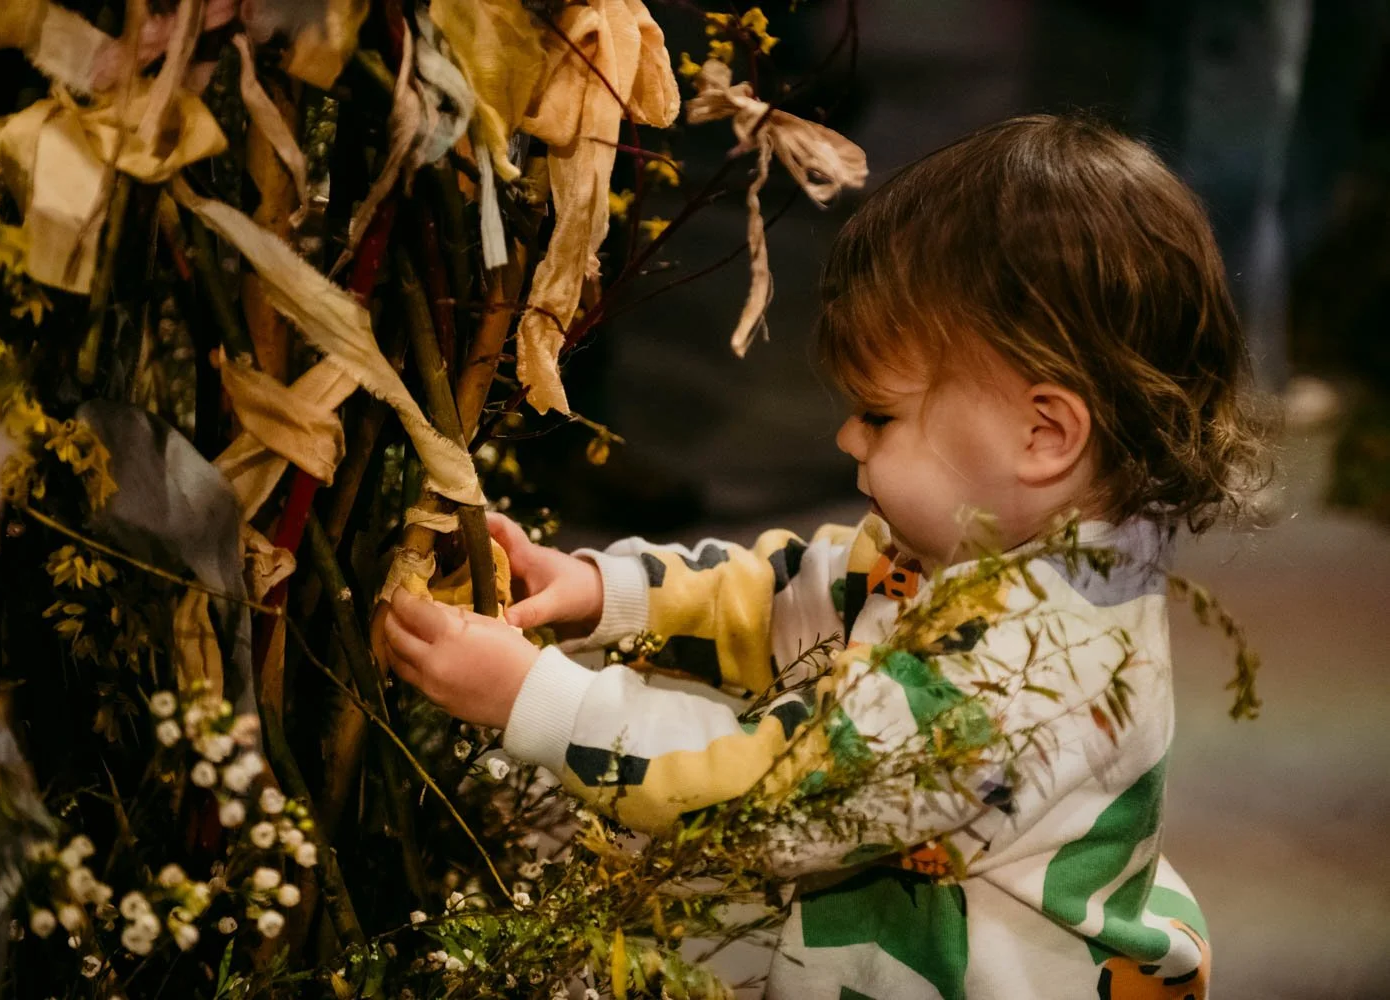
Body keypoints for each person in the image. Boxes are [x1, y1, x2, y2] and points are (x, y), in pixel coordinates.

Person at [374, 115, 1268, 999]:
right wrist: (612, 593)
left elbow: (772, 793)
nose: (847, 437)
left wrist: (537, 700)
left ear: (1044, 433)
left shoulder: (1011, 674)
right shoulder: (996, 550)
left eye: (879, 414)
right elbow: (802, 594)